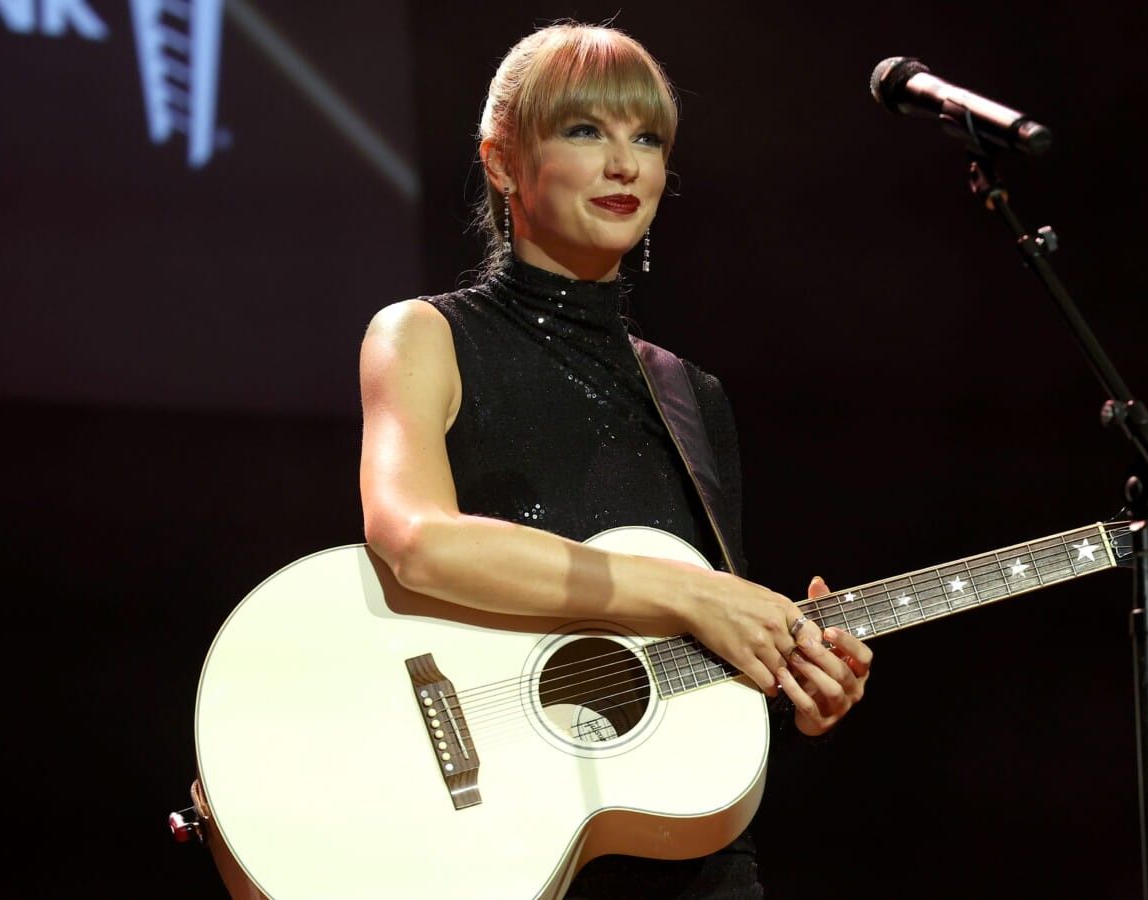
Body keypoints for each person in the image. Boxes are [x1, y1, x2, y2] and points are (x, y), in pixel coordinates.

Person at [357, 21, 874, 898]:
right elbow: (415, 539)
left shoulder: (691, 394)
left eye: (648, 139)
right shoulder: (426, 336)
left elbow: (701, 651)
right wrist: (692, 592)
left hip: (689, 859)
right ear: (501, 159)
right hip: (505, 840)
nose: (626, 163)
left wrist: (796, 688)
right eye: (586, 131)